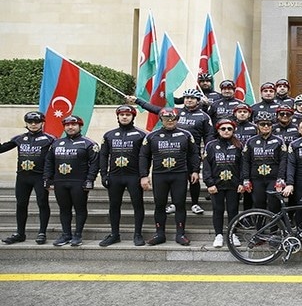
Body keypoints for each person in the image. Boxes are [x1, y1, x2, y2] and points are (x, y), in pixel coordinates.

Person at [129, 88, 214, 215]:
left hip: (192, 152)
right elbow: (154, 109)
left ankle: (195, 203)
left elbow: (209, 136)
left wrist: (207, 151)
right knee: (174, 179)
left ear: (198, 101)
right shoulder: (175, 111)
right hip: (174, 150)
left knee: (193, 178)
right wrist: (137, 101)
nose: (189, 100)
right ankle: (174, 203)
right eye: (186, 97)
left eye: (192, 98)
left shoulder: (204, 116)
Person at [139, 107, 200, 246]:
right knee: (159, 205)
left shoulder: (186, 135)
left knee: (180, 204)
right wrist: (144, 175)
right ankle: (160, 234)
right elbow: (143, 156)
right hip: (160, 175)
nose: (170, 121)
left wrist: (195, 170)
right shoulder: (151, 136)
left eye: (173, 119)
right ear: (161, 120)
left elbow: (194, 154)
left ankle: (180, 234)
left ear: (177, 120)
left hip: (179, 174)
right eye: (167, 119)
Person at [0, 112, 55, 245]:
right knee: (20, 204)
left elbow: (56, 157)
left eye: (36, 122)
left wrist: (52, 178)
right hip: (23, 177)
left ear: (42, 123)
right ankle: (20, 233)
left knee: (42, 203)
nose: (33, 124)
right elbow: (2, 149)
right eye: (30, 122)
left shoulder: (50, 139)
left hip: (40, 177)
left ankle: (42, 232)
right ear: (26, 123)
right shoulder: (19, 138)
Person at [44, 116, 99, 247]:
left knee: (80, 209)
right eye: (67, 125)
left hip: (79, 182)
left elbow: (95, 163)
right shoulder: (56, 143)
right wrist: (47, 179)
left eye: (74, 124)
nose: (70, 127)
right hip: (60, 182)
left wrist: (90, 180)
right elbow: (49, 162)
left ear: (80, 126)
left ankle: (78, 235)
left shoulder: (89, 143)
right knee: (64, 209)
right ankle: (66, 234)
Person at [98, 105, 147, 247]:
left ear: (133, 116)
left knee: (137, 205)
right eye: (122, 114)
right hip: (114, 177)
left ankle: (137, 234)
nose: (124, 117)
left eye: (127, 114)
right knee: (114, 205)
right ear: (117, 116)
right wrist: (103, 174)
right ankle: (114, 234)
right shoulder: (109, 135)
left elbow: (144, 156)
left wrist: (144, 175)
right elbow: (103, 155)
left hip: (134, 176)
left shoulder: (141, 135)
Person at [202, 118, 244, 248]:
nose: (226, 131)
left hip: (233, 185)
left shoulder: (239, 145)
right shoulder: (211, 145)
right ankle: (218, 235)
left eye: (229, 129)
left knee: (233, 210)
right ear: (218, 130)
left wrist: (242, 182)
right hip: (217, 184)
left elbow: (243, 166)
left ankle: (233, 234)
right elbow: (206, 166)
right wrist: (209, 183)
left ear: (233, 130)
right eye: (223, 129)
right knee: (218, 210)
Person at [241, 111, 287, 213]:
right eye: (262, 124)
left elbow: (283, 160)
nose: (266, 126)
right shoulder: (250, 141)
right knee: (258, 203)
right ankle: (259, 228)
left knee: (274, 203)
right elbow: (246, 161)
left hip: (273, 178)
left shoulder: (279, 141)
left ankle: (274, 229)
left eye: (269, 124)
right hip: (256, 179)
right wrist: (246, 179)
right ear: (257, 125)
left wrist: (281, 178)